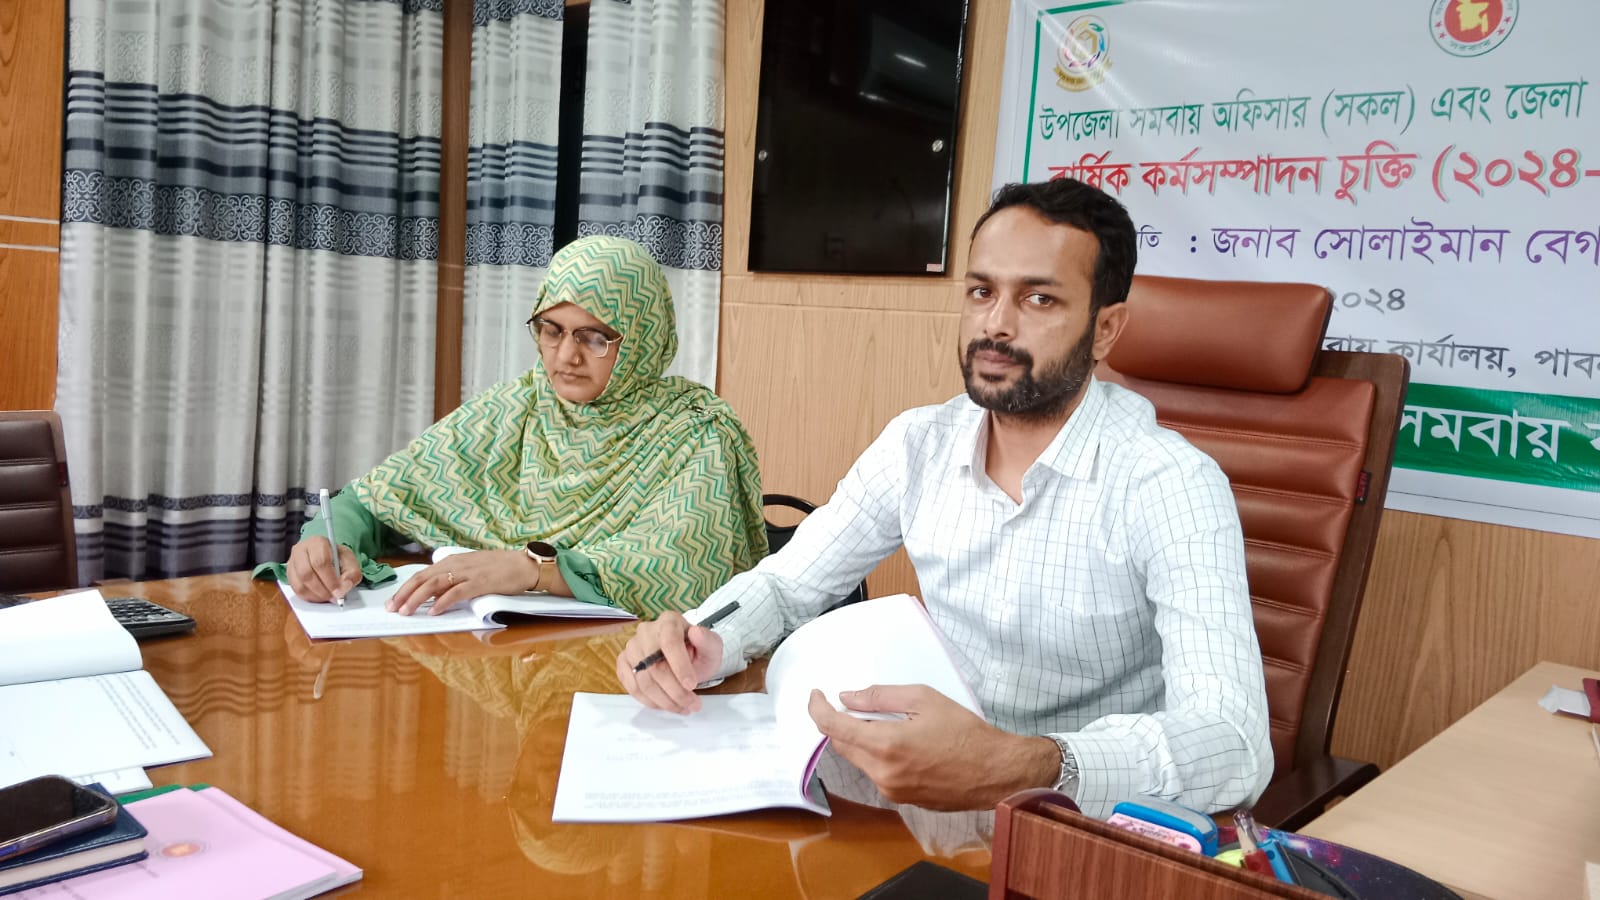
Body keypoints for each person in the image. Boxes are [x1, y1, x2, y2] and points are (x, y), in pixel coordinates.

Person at [615, 179, 1273, 819]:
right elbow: (788, 584)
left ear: (1105, 330)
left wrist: (1022, 764)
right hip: (927, 794)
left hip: (1075, 827)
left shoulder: (1170, 483)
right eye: (982, 291)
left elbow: (1234, 741)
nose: (996, 324)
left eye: (1039, 299)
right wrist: (703, 638)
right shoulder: (918, 444)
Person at [271, 235, 768, 619]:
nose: (566, 356)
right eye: (552, 330)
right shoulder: (515, 409)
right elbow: (378, 498)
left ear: (641, 339)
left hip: (631, 673)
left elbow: (685, 570)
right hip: (494, 651)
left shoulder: (695, 433)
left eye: (594, 338)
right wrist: (326, 542)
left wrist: (534, 569)